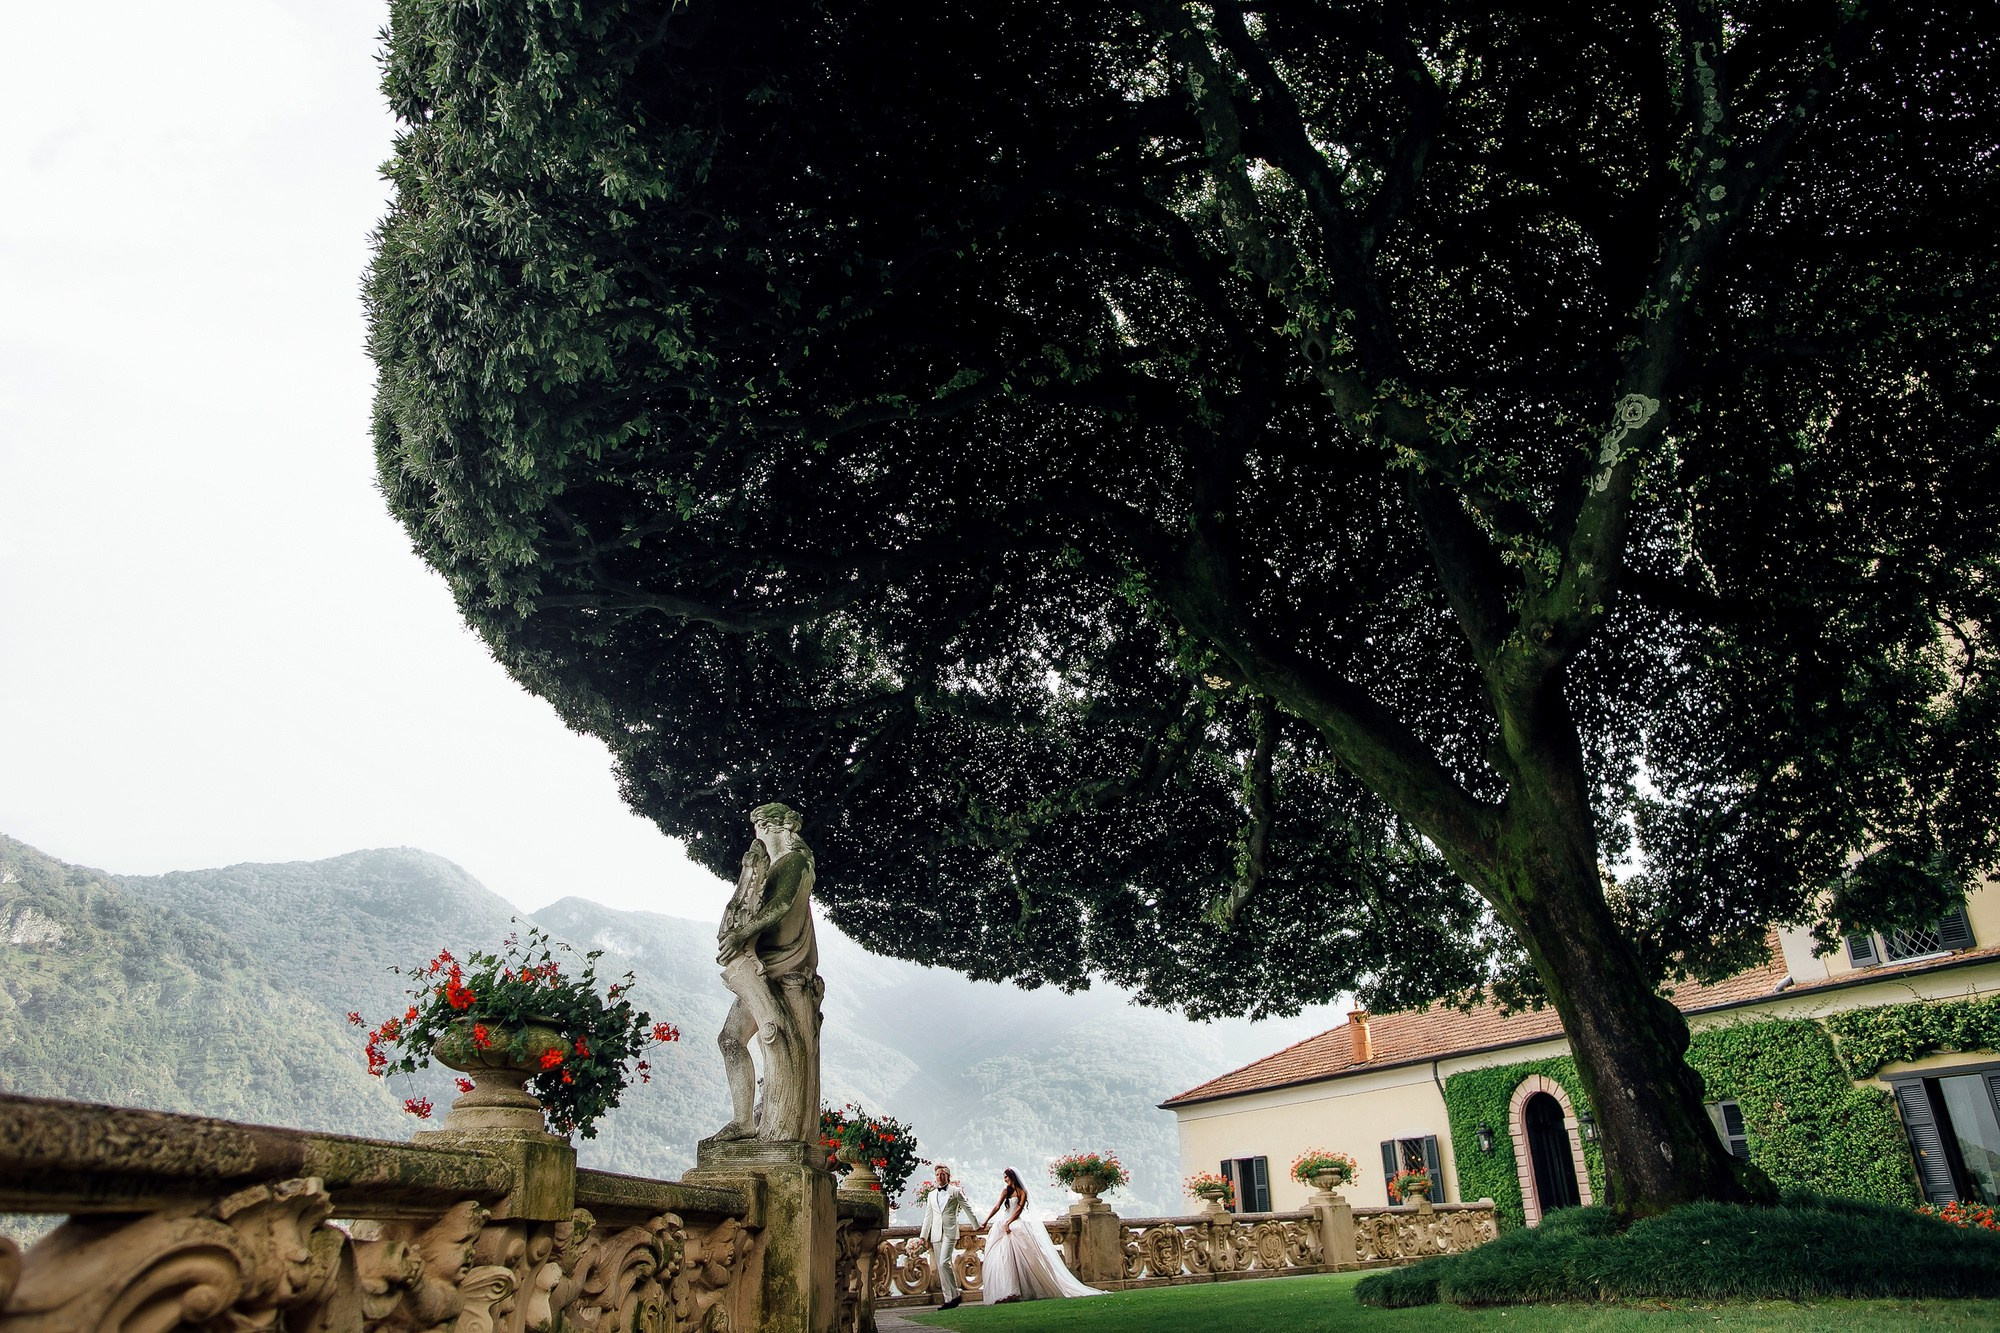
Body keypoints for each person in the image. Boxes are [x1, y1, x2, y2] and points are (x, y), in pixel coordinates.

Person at [977, 1168, 1105, 1304]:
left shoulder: (1022, 1192)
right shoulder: (1005, 1192)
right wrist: (985, 1221)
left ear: (1012, 1177)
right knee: (1002, 1259)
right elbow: (997, 1207)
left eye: (1006, 1177)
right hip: (1003, 1224)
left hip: (1014, 1224)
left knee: (1025, 1258)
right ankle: (1006, 1291)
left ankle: (1019, 1290)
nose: (1005, 1180)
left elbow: (1019, 1209)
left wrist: (1009, 1223)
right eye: (1004, 1178)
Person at [919, 1163, 981, 1310]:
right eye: (937, 1174)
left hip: (950, 1231)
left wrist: (976, 1226)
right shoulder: (931, 1195)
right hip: (935, 1232)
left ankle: (955, 1295)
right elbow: (928, 1216)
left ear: (948, 1176)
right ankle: (949, 1299)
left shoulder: (955, 1191)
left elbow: (967, 1208)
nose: (940, 1177)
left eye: (943, 1174)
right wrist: (923, 1235)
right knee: (942, 1268)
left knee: (943, 1262)